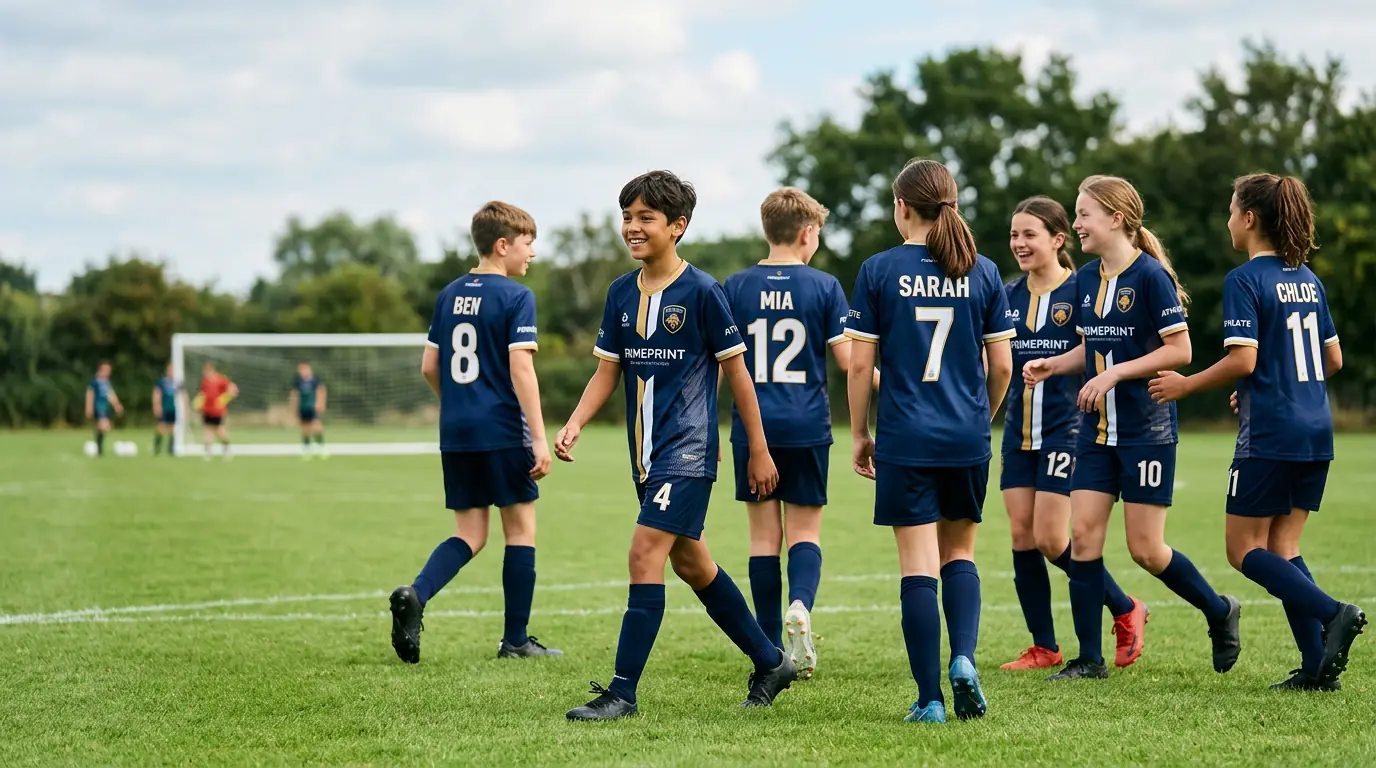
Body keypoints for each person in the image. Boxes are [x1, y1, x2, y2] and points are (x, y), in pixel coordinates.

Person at [559, 170, 792, 721]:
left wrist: (757, 449)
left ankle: (622, 692)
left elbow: (738, 377)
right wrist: (573, 424)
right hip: (644, 456)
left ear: (677, 226)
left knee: (644, 555)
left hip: (687, 455)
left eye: (646, 218)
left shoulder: (703, 292)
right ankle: (771, 660)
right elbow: (606, 373)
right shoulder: (620, 293)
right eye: (627, 217)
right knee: (694, 564)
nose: (632, 228)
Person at [1148, 173, 1365, 690]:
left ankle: (1335, 613)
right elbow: (1331, 358)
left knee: (1242, 550)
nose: (1227, 219)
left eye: (1230, 210)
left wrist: (1187, 386)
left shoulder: (1244, 280)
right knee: (1284, 546)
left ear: (1249, 219)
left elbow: (1242, 358)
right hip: (1317, 428)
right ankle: (1317, 669)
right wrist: (1267, 384)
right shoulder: (1308, 278)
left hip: (1272, 433)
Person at [1025, 175, 1241, 681]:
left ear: (1116, 219)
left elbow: (1180, 352)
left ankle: (1218, 610)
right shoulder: (1084, 280)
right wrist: (1054, 364)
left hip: (1146, 431)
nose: (1075, 224)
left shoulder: (1150, 277)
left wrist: (1116, 372)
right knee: (1082, 538)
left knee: (1146, 550)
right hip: (1096, 433)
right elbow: (1093, 349)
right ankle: (1088, 660)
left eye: (1083, 214)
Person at [846, 158, 1015, 724]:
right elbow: (1004, 367)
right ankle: (964, 659)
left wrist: (860, 434)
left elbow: (858, 366)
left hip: (905, 438)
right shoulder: (984, 270)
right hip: (966, 436)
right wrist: (979, 418)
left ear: (901, 207)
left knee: (916, 566)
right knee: (960, 554)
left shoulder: (877, 270)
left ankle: (929, 699)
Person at [388, 201, 561, 664]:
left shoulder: (448, 294)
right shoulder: (515, 297)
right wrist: (541, 439)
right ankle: (516, 641)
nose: (533, 254)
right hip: (504, 428)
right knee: (520, 528)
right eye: (528, 244)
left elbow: (429, 366)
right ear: (503, 245)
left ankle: (417, 594)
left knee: (469, 531)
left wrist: (459, 405)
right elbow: (521, 369)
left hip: (457, 428)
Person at [722, 187, 870, 681]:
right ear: (807, 233)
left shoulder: (735, 287)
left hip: (753, 429)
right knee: (804, 533)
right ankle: (801, 605)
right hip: (806, 426)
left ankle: (768, 650)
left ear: (768, 231)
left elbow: (719, 369)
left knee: (763, 537)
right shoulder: (825, 286)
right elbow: (851, 364)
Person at [999, 197, 1147, 671]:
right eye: (1014, 235)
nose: (1019, 244)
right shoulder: (1008, 295)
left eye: (1029, 235)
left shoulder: (1080, 289)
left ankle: (1124, 607)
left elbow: (1097, 349)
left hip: (1067, 429)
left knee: (1049, 536)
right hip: (1017, 431)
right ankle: (1045, 646)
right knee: (1022, 535)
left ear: (1058, 239)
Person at [195, 362, 238, 460]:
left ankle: (227, 449)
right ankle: (208, 452)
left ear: (212, 370)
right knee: (207, 431)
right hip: (207, 410)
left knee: (220, 431)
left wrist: (224, 399)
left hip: (217, 411)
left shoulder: (220, 379)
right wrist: (199, 405)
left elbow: (233, 389)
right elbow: (203, 395)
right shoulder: (204, 381)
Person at [290, 361, 328, 459]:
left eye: (306, 369)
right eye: (302, 370)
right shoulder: (298, 382)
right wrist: (294, 409)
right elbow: (294, 395)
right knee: (305, 429)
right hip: (303, 408)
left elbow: (322, 391)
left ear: (310, 370)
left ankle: (321, 448)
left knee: (317, 427)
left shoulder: (314, 381)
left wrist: (321, 404)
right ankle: (306, 450)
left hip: (313, 408)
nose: (304, 372)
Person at [85, 362, 124, 457]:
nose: (108, 372)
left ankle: (99, 449)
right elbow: (90, 395)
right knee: (105, 426)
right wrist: (88, 408)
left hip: (105, 407)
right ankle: (103, 447)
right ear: (101, 370)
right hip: (98, 407)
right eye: (107, 370)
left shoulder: (106, 382)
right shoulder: (95, 382)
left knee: (101, 429)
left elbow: (110, 394)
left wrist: (116, 405)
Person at [152, 363, 180, 456]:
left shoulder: (176, 383)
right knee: (161, 427)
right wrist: (156, 406)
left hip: (173, 409)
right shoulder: (162, 382)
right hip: (164, 408)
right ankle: (157, 447)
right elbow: (157, 394)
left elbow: (183, 396)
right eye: (170, 370)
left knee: (172, 429)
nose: (172, 372)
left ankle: (171, 449)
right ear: (167, 371)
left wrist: (185, 409)